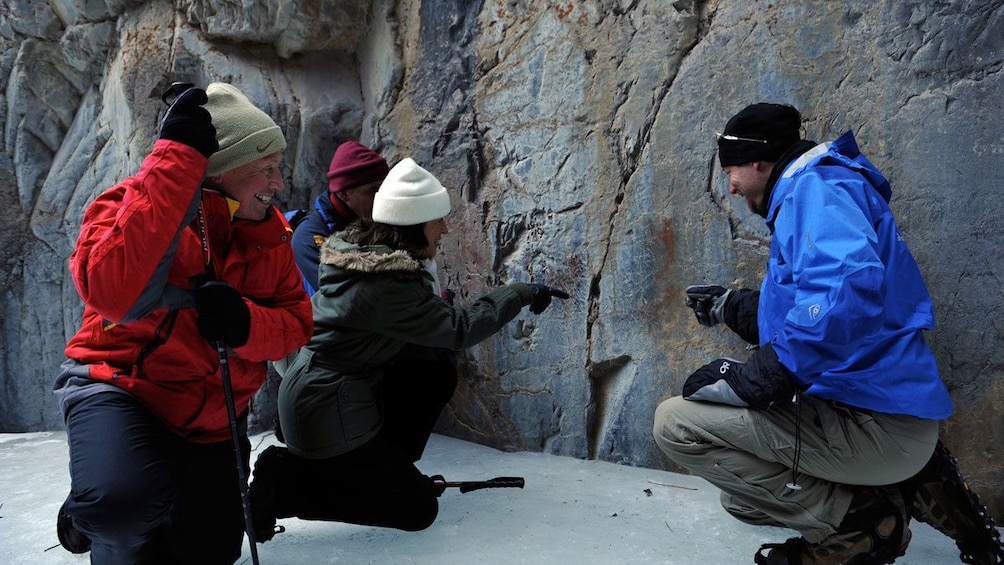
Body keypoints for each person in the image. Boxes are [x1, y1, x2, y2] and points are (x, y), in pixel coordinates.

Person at [651, 103, 1000, 564]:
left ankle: (867, 527)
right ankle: (908, 484)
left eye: (730, 169)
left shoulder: (813, 190)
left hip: (876, 424)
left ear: (758, 160)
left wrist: (759, 378)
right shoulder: (822, 186)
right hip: (887, 414)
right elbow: (824, 305)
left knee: (675, 424)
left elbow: (846, 290)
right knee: (740, 500)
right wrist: (734, 306)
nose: (730, 186)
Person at [53, 82, 313, 564]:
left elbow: (296, 324)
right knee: (121, 511)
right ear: (222, 169)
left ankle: (110, 487)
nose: (279, 183)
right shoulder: (124, 205)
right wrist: (175, 164)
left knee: (210, 549)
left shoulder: (267, 234)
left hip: (214, 415)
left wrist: (245, 324)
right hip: (123, 389)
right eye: (266, 169)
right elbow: (111, 293)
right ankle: (95, 505)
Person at [247, 157, 568, 540]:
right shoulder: (387, 283)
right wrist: (519, 292)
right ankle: (283, 485)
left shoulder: (362, 258)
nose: (445, 229)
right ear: (415, 224)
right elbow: (459, 329)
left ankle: (367, 469)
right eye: (438, 220)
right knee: (416, 508)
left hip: (317, 395)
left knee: (431, 368)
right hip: (326, 411)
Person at [289, 140, 389, 295]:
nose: (380, 197)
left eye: (383, 188)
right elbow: (337, 298)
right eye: (373, 190)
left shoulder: (371, 221)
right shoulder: (308, 239)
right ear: (344, 193)